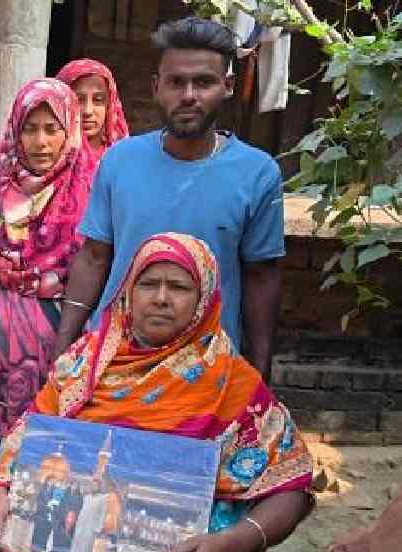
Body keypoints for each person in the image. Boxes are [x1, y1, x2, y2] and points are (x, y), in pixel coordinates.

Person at [0, 233, 313, 552]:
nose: (161, 298)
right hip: (60, 550)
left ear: (204, 298)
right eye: (148, 284)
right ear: (128, 291)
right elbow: (30, 432)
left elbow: (291, 487)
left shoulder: (231, 383)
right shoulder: (84, 363)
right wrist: (0, 487)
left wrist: (228, 545)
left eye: (179, 287)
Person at [52, 17, 284, 383]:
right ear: (157, 88)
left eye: (203, 82)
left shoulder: (257, 173)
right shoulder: (120, 161)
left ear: (227, 86)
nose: (189, 95)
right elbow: (94, 257)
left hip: (207, 372)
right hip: (113, 364)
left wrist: (260, 373)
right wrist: (64, 343)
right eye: (177, 82)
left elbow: (261, 276)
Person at [0, 78, 94, 489]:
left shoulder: (91, 189)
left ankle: (36, 546)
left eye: (52, 129)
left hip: (62, 340)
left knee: (51, 445)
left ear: (70, 131)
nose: (41, 141)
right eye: (30, 129)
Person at [55, 59, 129, 164]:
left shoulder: (124, 159)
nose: (87, 111)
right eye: (78, 100)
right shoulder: (46, 157)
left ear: (110, 105)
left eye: (98, 100)